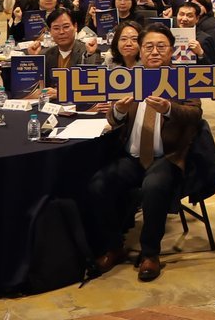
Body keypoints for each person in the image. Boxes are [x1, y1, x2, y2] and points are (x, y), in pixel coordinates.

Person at [83, 24, 203, 282]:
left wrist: (169, 108)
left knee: (154, 187)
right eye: (148, 46)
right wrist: (118, 110)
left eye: (161, 47)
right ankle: (114, 246)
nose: (154, 52)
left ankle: (150, 253)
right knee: (97, 185)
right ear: (141, 50)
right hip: (132, 157)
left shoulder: (183, 78)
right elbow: (112, 119)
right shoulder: (128, 77)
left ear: (171, 50)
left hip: (166, 156)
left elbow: (195, 114)